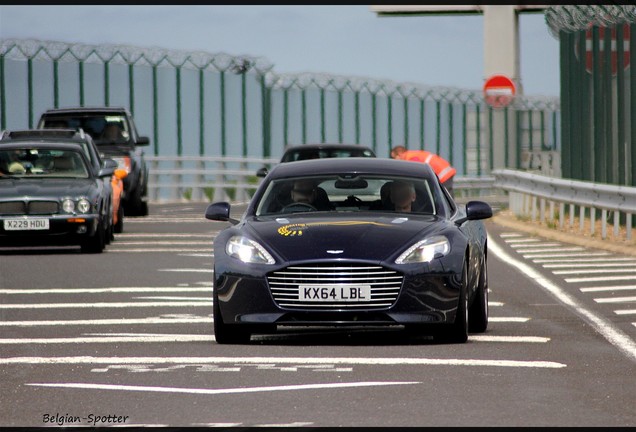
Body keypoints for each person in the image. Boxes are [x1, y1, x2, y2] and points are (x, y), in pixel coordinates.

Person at [391, 145, 456, 198]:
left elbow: (418, 173)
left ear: (399, 154)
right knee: (446, 196)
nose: (394, 160)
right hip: (445, 172)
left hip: (443, 174)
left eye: (394, 158)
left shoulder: (410, 158)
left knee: (445, 198)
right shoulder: (412, 154)